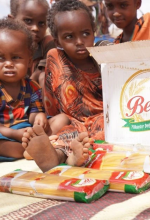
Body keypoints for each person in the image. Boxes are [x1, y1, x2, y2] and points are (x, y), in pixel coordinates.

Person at [22, 0, 103, 172]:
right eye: (69, 37)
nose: (79, 41)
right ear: (57, 40)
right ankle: (55, 155)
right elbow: (53, 104)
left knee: (103, 129)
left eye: (85, 33)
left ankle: (67, 154)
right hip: (72, 123)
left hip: (102, 119)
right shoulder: (55, 58)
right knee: (62, 125)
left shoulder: (104, 58)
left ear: (94, 31)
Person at [0, 18, 69, 160]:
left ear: (29, 61)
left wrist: (39, 117)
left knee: (62, 119)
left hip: (29, 131)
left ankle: (38, 145)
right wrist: (14, 134)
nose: (8, 64)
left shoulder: (31, 86)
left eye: (16, 58)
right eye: (1, 58)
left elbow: (33, 113)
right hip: (6, 135)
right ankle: (33, 149)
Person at [8, 0, 55, 89]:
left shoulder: (48, 43)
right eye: (28, 21)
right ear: (12, 20)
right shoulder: (4, 45)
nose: (35, 28)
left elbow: (39, 76)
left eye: (41, 23)